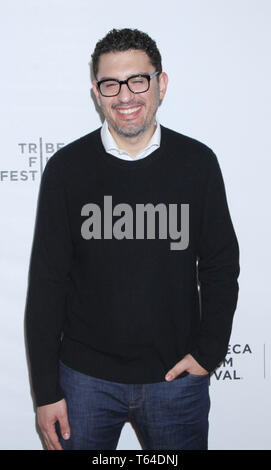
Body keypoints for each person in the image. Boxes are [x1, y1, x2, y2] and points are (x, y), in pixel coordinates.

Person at [25, 28, 240, 451]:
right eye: (111, 84)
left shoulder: (197, 164)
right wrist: (46, 391)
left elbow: (220, 267)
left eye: (138, 80)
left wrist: (208, 354)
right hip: (83, 382)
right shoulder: (66, 170)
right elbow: (48, 283)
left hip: (175, 381)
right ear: (96, 91)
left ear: (160, 83)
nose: (125, 95)